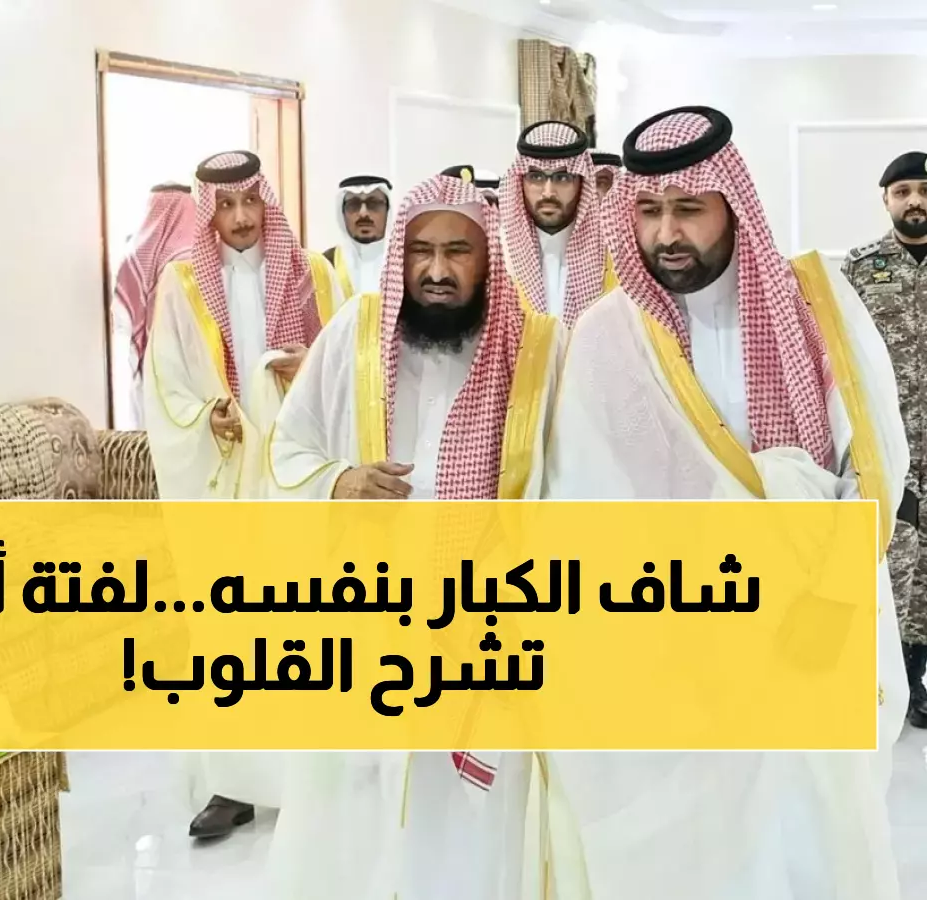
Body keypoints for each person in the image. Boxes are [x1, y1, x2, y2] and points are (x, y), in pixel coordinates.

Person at [543, 106, 909, 900]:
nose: (665, 232)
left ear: (732, 205)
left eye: (688, 209)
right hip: (676, 628)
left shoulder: (819, 307)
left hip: (812, 616)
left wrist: (832, 599)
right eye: (648, 210)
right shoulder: (607, 335)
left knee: (811, 826)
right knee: (699, 841)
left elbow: (875, 459)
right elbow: (582, 492)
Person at [263, 171, 563, 900]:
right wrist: (339, 480)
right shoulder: (354, 335)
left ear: (488, 258)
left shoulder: (536, 351)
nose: (436, 270)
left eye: (458, 251)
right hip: (370, 611)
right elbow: (288, 447)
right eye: (422, 251)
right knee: (363, 799)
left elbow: (567, 478)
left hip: (489, 616)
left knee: (472, 814)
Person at [143, 150, 343, 504]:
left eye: (250, 200)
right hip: (228, 455)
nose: (241, 217)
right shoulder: (183, 283)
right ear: (209, 212)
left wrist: (312, 364)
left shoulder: (313, 273)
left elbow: (349, 360)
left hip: (298, 453)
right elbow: (166, 378)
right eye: (225, 205)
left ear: (265, 201)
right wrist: (205, 419)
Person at [842, 150, 927, 729]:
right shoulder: (860, 267)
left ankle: (914, 682)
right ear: (886, 200)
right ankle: (884, 686)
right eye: (903, 192)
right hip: (888, 442)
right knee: (892, 568)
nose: (914, 201)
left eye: (924, 190)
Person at [498, 120, 615, 327]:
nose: (548, 192)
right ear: (520, 181)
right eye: (536, 176)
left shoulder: (612, 252)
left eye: (562, 177)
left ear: (582, 182)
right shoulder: (499, 253)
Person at [111, 183, 196, 429]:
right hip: (188, 365)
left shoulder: (134, 257)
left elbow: (121, 321)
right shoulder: (194, 256)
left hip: (150, 365)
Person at [324, 175, 393, 301]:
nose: (363, 213)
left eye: (373, 204)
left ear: (388, 211)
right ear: (342, 212)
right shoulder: (326, 263)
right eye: (353, 204)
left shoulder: (404, 262)